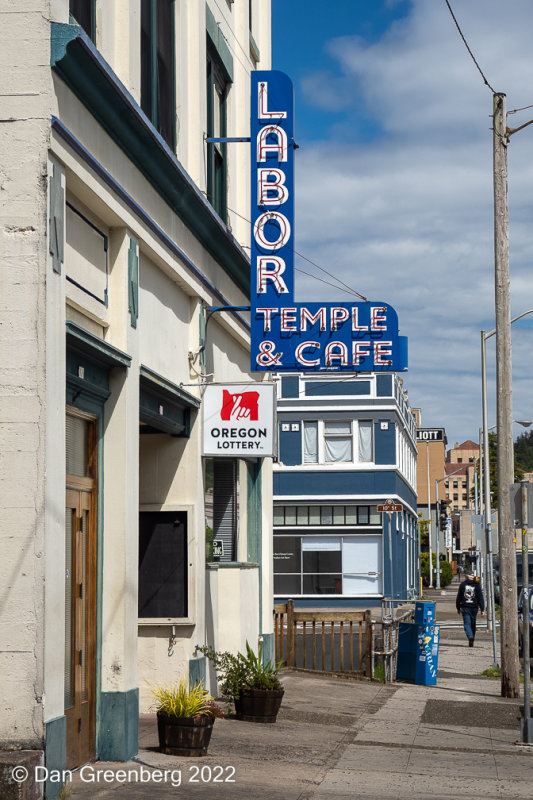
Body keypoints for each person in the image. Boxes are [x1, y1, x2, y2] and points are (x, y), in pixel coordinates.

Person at [456, 570, 485, 646]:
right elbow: (480, 598)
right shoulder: (477, 585)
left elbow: (459, 597)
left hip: (465, 607)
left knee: (467, 624)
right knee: (473, 624)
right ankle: (472, 638)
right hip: (474, 607)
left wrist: (458, 607)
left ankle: (470, 636)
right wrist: (482, 609)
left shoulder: (462, 585)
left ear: (467, 576)